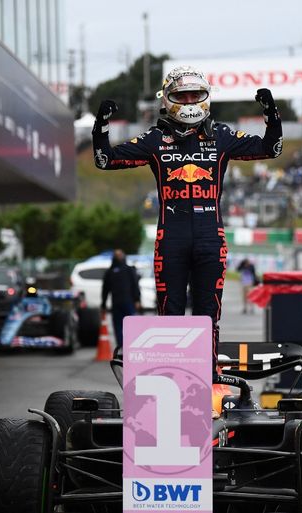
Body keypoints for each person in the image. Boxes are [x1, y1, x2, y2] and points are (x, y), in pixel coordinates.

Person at [92, 66, 282, 371]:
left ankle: (209, 375)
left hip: (211, 237)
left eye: (196, 94)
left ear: (207, 97)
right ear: (167, 99)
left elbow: (271, 149)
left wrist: (272, 115)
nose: (191, 101)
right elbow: (105, 160)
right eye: (183, 95)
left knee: (209, 315)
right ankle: (172, 377)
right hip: (171, 239)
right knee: (170, 315)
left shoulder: (222, 135)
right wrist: (100, 126)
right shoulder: (155, 138)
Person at [100, 250, 141, 348]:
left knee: (121, 325)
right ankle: (127, 346)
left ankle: (124, 346)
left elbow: (105, 290)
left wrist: (137, 299)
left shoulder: (111, 271)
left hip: (120, 302)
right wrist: (137, 300)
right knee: (127, 325)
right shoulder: (128, 270)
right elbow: (135, 285)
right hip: (125, 302)